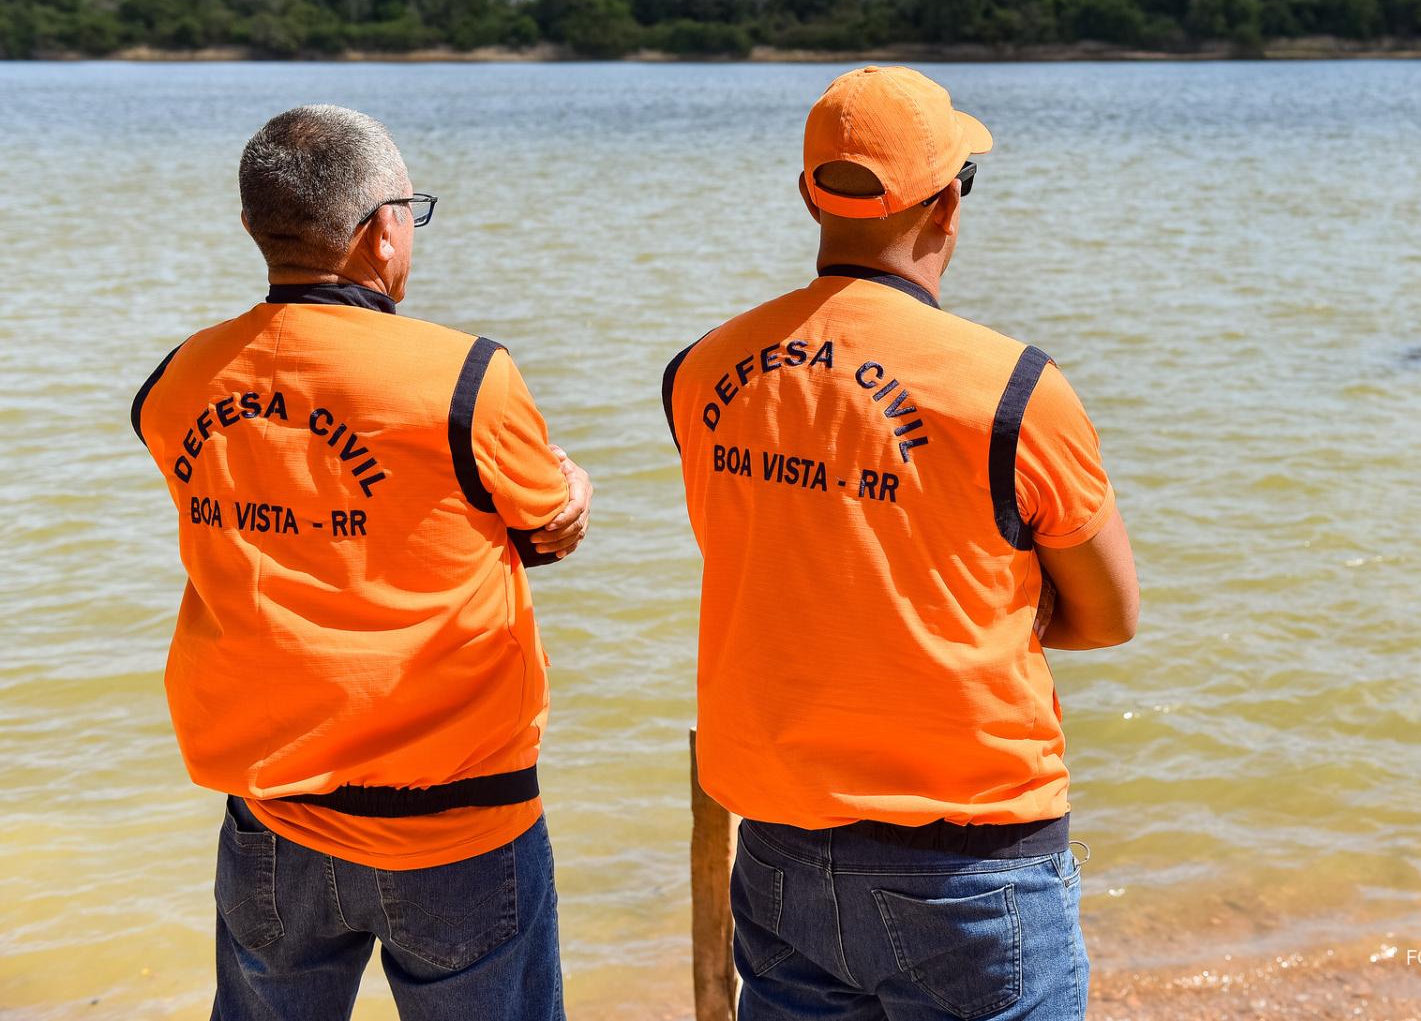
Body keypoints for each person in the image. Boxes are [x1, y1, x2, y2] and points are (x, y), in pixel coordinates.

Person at [662, 65, 1140, 1021]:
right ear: (948, 206)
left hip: (780, 846)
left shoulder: (699, 369)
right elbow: (1110, 614)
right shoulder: (1011, 390)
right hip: (967, 859)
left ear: (812, 194)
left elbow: (781, 552)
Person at [131, 105, 592, 1021]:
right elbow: (546, 526)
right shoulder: (466, 374)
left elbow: (262, 522)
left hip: (272, 816)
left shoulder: (180, 379)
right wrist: (574, 489)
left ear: (257, 228)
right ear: (382, 228)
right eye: (409, 213)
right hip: (457, 823)